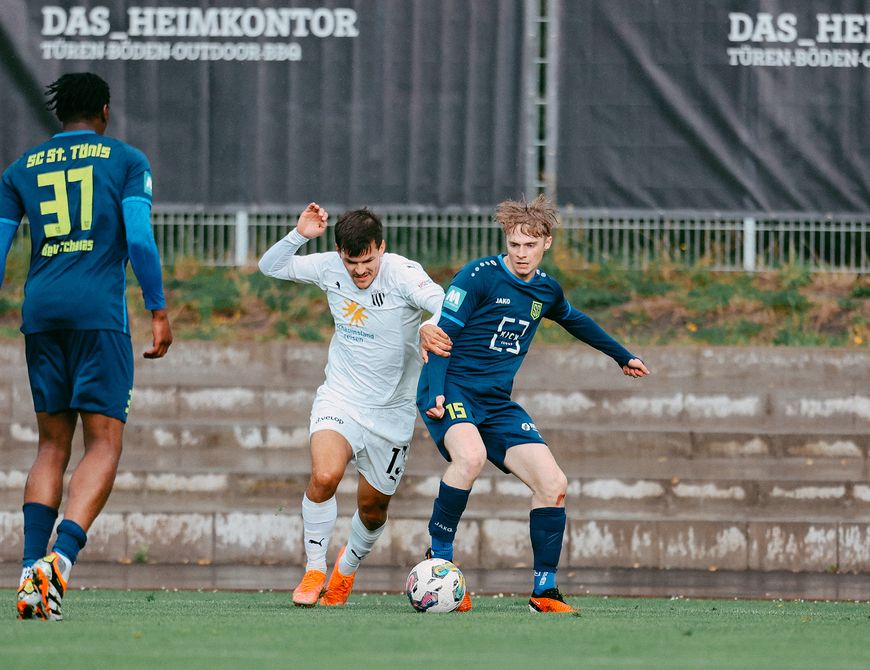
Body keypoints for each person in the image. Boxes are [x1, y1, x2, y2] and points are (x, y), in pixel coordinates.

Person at [417, 194, 649, 613]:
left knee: (553, 484)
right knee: (469, 458)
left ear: (546, 244)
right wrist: (435, 390)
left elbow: (575, 319)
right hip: (452, 389)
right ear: (506, 241)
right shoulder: (477, 277)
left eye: (530, 245)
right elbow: (439, 337)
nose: (521, 253)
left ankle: (544, 590)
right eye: (514, 244)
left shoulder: (545, 289)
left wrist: (621, 355)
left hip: (496, 402)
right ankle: (439, 562)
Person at [0, 72, 173, 620]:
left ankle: (31, 573)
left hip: (42, 313)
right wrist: (158, 307)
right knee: (103, 443)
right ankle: (62, 561)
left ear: (60, 117)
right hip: (98, 315)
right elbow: (140, 238)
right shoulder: (125, 160)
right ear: (103, 111)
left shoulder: (19, 169)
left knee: (52, 444)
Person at [259, 204, 450, 607]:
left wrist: (432, 325)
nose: (360, 272)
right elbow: (270, 266)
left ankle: (344, 572)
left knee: (373, 508)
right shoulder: (329, 267)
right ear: (339, 254)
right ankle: (314, 570)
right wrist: (298, 235)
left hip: (392, 413)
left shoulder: (402, 273)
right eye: (351, 263)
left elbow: (444, 300)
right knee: (325, 476)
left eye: (367, 262)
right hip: (340, 398)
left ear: (381, 248)